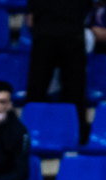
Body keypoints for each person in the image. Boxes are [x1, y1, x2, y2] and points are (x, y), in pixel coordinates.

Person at [26, 0, 92, 143]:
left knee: (36, 92)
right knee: (75, 94)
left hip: (45, 35)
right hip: (72, 35)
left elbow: (30, 20)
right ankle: (76, 139)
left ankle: (31, 135)